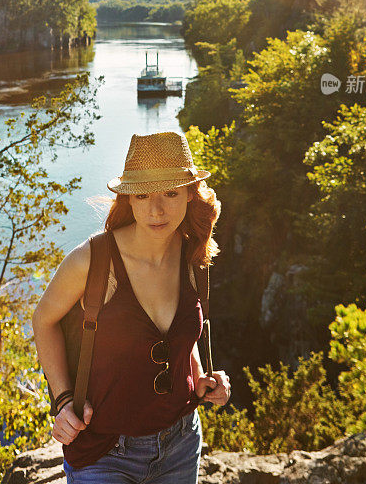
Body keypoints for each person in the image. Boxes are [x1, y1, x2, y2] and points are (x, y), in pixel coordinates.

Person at [32, 130, 231, 484]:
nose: (156, 210)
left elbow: (184, 333)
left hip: (182, 441)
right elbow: (43, 320)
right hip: (104, 452)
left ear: (189, 194)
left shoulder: (193, 255)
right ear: (129, 200)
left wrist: (201, 377)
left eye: (170, 193)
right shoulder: (92, 262)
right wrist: (62, 400)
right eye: (142, 195)